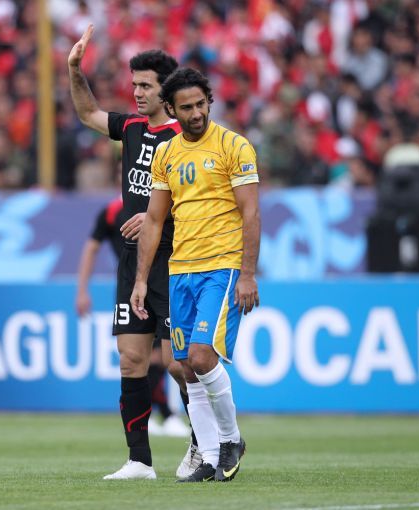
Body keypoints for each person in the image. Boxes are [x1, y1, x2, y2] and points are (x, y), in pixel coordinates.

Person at [69, 25, 203, 480]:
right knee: (131, 359)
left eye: (145, 85)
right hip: (132, 265)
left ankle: (204, 444)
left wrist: (153, 217)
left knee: (178, 364)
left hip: (173, 262)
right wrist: (75, 70)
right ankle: (139, 460)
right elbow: (87, 112)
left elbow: (199, 202)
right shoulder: (129, 128)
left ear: (166, 92)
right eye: (135, 85)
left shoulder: (185, 139)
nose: (137, 92)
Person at [131, 67, 261, 483]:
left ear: (210, 102)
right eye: (186, 108)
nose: (196, 113)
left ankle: (231, 440)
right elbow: (154, 220)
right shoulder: (166, 154)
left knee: (203, 357)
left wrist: (247, 274)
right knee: (185, 366)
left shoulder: (233, 146)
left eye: (201, 104)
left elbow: (251, 212)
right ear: (171, 109)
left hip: (221, 266)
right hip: (180, 270)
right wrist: (140, 279)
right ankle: (208, 456)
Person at [75, 194, 190, 439]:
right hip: (133, 286)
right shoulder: (111, 211)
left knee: (170, 362)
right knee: (140, 359)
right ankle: (166, 417)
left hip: (166, 280)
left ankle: (180, 421)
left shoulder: (165, 199)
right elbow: (91, 247)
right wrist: (82, 290)